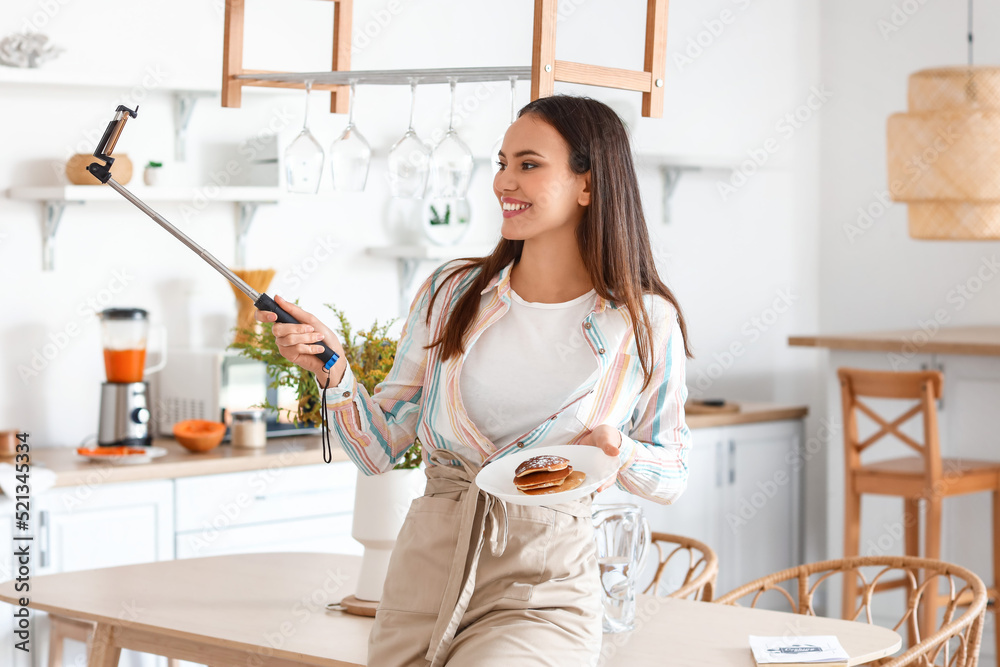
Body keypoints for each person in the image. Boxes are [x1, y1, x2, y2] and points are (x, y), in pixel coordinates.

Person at [256, 94, 693, 667]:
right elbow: (380, 449)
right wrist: (334, 372)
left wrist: (622, 451)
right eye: (501, 163)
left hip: (542, 586)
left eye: (529, 165)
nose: (504, 182)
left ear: (588, 183)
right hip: (424, 573)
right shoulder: (451, 292)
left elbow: (672, 472)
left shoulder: (643, 319)